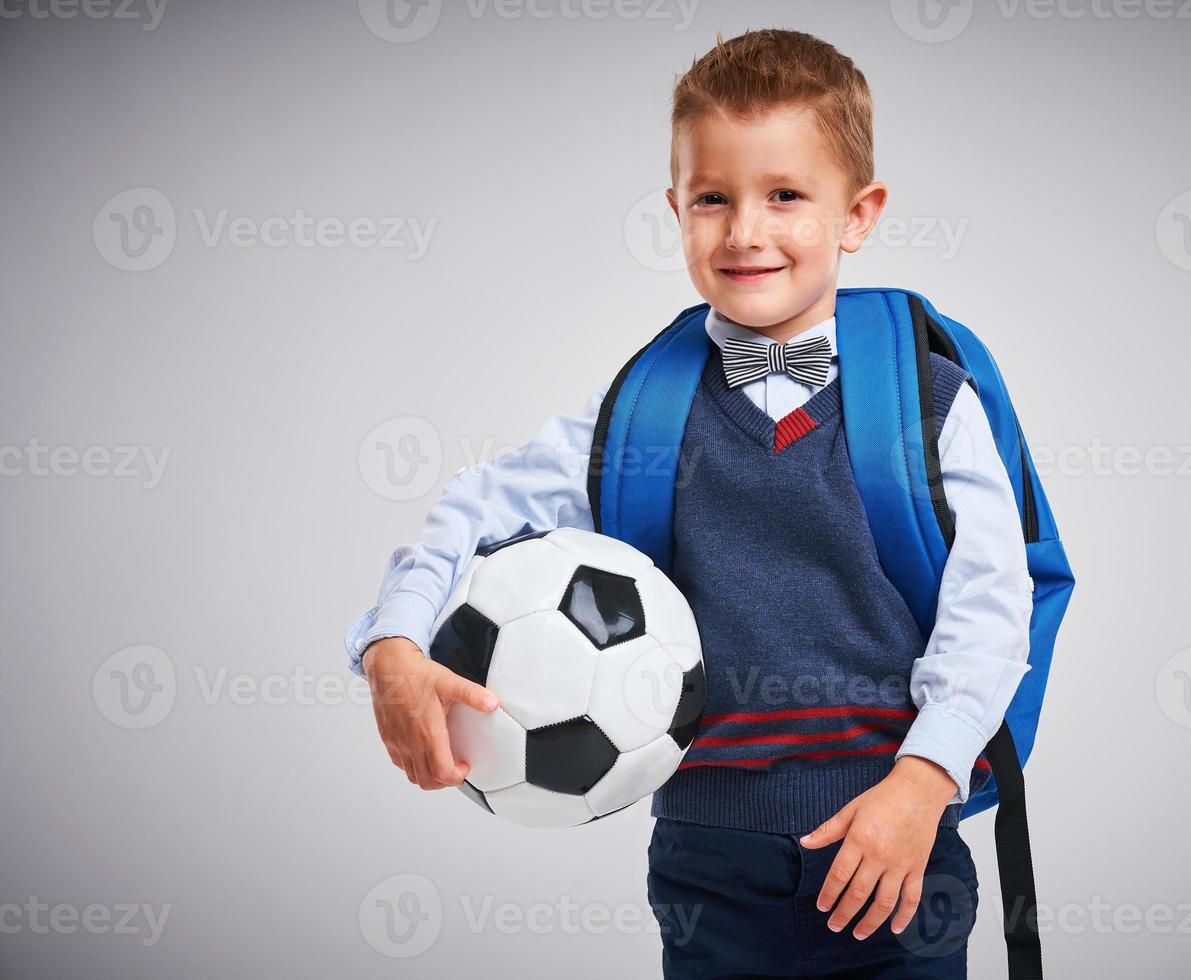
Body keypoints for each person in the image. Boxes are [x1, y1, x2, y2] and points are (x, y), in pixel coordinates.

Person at [345, 28, 1034, 978]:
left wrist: (924, 782)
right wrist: (391, 644)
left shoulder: (931, 404)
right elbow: (475, 509)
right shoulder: (644, 409)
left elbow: (989, 614)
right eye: (713, 199)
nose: (745, 231)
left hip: (896, 843)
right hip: (707, 863)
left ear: (858, 213)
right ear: (676, 207)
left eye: (785, 195)